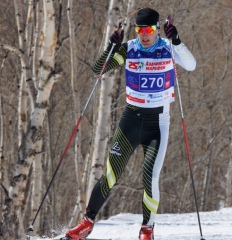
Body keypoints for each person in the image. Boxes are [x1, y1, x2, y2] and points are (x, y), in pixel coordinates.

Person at [62, 8, 196, 240]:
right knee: (110, 174)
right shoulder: (129, 49)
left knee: (149, 176)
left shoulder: (168, 47)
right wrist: (112, 47)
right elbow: (98, 70)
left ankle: (147, 229)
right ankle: (87, 223)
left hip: (158, 123)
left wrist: (177, 40)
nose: (144, 34)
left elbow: (191, 65)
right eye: (140, 29)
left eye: (149, 29)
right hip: (131, 120)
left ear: (157, 29)